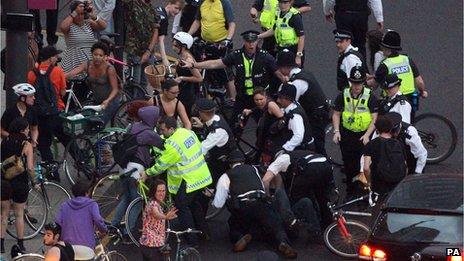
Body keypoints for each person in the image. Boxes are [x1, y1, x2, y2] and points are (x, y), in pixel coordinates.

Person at [212, 150, 297, 259]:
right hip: (260, 202)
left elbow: (218, 203)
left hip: (242, 206)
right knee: (275, 223)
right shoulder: (254, 169)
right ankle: (282, 242)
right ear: (243, 161)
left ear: (229, 164)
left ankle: (239, 238)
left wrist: (213, 197)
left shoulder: (226, 176)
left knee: (233, 223)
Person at [144, 116, 212, 246]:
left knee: (181, 207)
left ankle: (192, 240)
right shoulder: (187, 132)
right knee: (194, 205)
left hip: (189, 180)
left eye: (163, 130)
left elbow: (162, 165)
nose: (162, 133)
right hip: (201, 176)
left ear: (171, 129)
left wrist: (147, 173)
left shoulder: (172, 145)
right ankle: (204, 233)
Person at [181, 30, 281, 118]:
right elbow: (215, 63)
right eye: (248, 42)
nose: (251, 45)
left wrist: (286, 81)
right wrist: (194, 65)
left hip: (259, 98)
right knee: (234, 125)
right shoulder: (236, 55)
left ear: (257, 41)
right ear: (244, 41)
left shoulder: (265, 56)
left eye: (253, 41)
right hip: (242, 96)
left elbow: (278, 72)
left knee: (263, 126)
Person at [262, 150, 336, 239]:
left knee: (301, 197)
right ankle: (328, 224)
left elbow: (265, 180)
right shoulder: (296, 154)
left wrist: (267, 196)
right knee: (322, 197)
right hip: (326, 165)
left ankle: (313, 229)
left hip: (312, 169)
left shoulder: (279, 160)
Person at [111, 106, 163, 229]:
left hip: (124, 167)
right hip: (137, 170)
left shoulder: (132, 126)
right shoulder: (150, 133)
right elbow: (162, 145)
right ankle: (127, 232)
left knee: (126, 198)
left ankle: (114, 225)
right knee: (137, 202)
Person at [332, 66, 378, 197]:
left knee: (363, 165)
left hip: (363, 135)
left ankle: (363, 191)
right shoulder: (344, 94)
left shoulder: (370, 96)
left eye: (359, 83)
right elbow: (336, 114)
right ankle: (350, 191)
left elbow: (374, 118)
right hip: (347, 134)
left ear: (364, 82)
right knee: (349, 164)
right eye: (354, 82)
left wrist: (367, 135)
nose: (357, 86)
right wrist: (336, 131)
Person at [276, 49, 329, 155]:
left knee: (317, 143)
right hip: (318, 112)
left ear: (285, 68)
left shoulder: (297, 82)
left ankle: (323, 163)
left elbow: (290, 103)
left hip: (316, 116)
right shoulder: (303, 73)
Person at [27, 46, 69, 181]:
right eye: (56, 56)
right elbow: (63, 92)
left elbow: (31, 94)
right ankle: (84, 165)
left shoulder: (32, 73)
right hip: (56, 112)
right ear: (51, 58)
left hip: (41, 115)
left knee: (44, 145)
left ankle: (53, 174)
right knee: (68, 140)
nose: (57, 58)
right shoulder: (57, 71)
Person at [368, 30, 427, 120]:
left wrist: (363, 82)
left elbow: (374, 83)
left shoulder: (385, 64)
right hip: (410, 99)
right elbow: (420, 81)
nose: (382, 49)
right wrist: (422, 92)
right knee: (408, 123)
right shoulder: (407, 60)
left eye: (383, 47)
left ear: (388, 49)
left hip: (392, 100)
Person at [1, 118, 37, 253]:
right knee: (19, 214)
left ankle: (1, 244)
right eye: (27, 128)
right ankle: (21, 244)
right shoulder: (26, 144)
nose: (28, 130)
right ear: (22, 130)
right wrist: (35, 182)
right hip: (20, 182)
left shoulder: (4, 141)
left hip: (4, 182)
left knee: (3, 214)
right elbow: (30, 167)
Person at [187, 0, 236, 99]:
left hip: (221, 44)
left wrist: (228, 40)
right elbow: (197, 21)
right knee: (204, 68)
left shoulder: (224, 3)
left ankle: (233, 99)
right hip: (206, 43)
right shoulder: (202, 2)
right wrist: (187, 35)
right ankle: (205, 96)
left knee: (227, 73)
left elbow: (232, 23)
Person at [65, 41, 120, 124]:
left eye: (100, 55)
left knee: (99, 122)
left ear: (105, 57)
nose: (97, 57)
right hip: (96, 100)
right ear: (92, 54)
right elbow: (70, 74)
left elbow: (115, 89)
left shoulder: (109, 69)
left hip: (110, 101)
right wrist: (56, 75)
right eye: (95, 54)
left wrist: (107, 100)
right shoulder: (87, 65)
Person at [192, 98, 237, 182]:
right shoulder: (217, 117)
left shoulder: (217, 132)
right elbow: (211, 127)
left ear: (202, 114)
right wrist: (203, 125)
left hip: (223, 166)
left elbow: (200, 150)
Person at [55, 180, 108, 249]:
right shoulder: (92, 204)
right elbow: (98, 219)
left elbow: (58, 223)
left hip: (67, 246)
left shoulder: (65, 205)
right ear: (86, 193)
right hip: (86, 246)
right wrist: (104, 229)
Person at [363, 115, 407, 197]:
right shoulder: (398, 143)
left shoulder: (371, 144)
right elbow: (404, 163)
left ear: (377, 130)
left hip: (379, 181)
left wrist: (369, 182)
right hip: (397, 182)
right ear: (391, 128)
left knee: (379, 202)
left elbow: (366, 168)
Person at [122, 0, 160, 88]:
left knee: (144, 82)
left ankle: (141, 101)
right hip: (135, 50)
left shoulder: (152, 10)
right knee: (135, 82)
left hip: (148, 51)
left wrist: (148, 52)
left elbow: (156, 32)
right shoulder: (132, 4)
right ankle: (132, 101)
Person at [60, 0, 106, 73]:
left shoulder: (88, 23)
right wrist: (75, 12)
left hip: (89, 62)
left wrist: (94, 16)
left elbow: (103, 26)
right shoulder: (70, 24)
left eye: (82, 14)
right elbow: (63, 27)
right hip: (73, 62)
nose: (80, 16)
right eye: (78, 14)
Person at [242, 88, 284, 165]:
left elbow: (282, 119)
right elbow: (259, 107)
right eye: (256, 100)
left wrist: (274, 131)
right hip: (263, 135)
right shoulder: (262, 105)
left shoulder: (271, 105)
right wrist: (250, 111)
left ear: (266, 97)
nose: (259, 102)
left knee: (267, 158)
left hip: (270, 138)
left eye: (261, 99)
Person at [258, 0, 305, 67]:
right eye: (281, 3)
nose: (283, 5)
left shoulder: (295, 16)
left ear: (290, 3)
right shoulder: (278, 14)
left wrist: (298, 56)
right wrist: (259, 36)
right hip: (281, 49)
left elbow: (301, 37)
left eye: (285, 3)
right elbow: (274, 30)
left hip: (293, 50)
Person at [139, 178, 178, 261]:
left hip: (146, 245)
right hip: (153, 246)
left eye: (163, 191)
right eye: (159, 191)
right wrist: (166, 217)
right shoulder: (153, 204)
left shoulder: (154, 203)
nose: (162, 194)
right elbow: (156, 214)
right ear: (154, 192)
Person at [274, 83, 314, 154]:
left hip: (302, 150)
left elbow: (298, 136)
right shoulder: (295, 105)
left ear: (288, 99)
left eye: (280, 98)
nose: (277, 100)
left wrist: (285, 148)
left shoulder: (294, 116)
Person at [171, 32, 203, 116]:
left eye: (176, 46)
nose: (173, 48)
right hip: (183, 89)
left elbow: (199, 78)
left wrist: (182, 78)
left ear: (184, 47)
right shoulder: (182, 55)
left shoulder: (188, 60)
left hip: (187, 93)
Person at [156, 0, 185, 67]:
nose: (177, 11)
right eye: (176, 8)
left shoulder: (159, 9)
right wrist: (164, 59)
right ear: (169, 4)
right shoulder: (164, 19)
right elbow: (161, 41)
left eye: (179, 10)